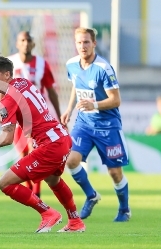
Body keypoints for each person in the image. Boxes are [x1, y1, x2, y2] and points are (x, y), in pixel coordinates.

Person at [0, 54, 85, 233]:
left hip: (50, 145)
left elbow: (6, 138)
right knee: (53, 179)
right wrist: (33, 136)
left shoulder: (7, 100)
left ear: (6, 75)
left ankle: (48, 213)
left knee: (4, 183)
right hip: (61, 138)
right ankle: (75, 222)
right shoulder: (22, 82)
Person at [60, 27, 131, 222]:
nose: (82, 46)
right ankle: (91, 195)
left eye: (86, 42)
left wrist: (94, 105)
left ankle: (124, 209)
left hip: (108, 126)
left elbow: (116, 100)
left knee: (114, 173)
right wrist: (69, 109)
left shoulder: (103, 68)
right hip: (84, 123)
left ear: (94, 44)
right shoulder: (71, 64)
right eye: (79, 42)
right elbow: (76, 85)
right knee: (71, 160)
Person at [0, 31, 62, 198]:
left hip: (36, 117)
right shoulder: (10, 63)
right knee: (23, 154)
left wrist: (59, 116)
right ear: (17, 43)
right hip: (17, 117)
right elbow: (2, 87)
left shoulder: (42, 64)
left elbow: (51, 91)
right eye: (22, 40)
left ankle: (36, 192)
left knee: (35, 152)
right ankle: (32, 190)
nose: (25, 43)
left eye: (28, 40)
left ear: (33, 44)